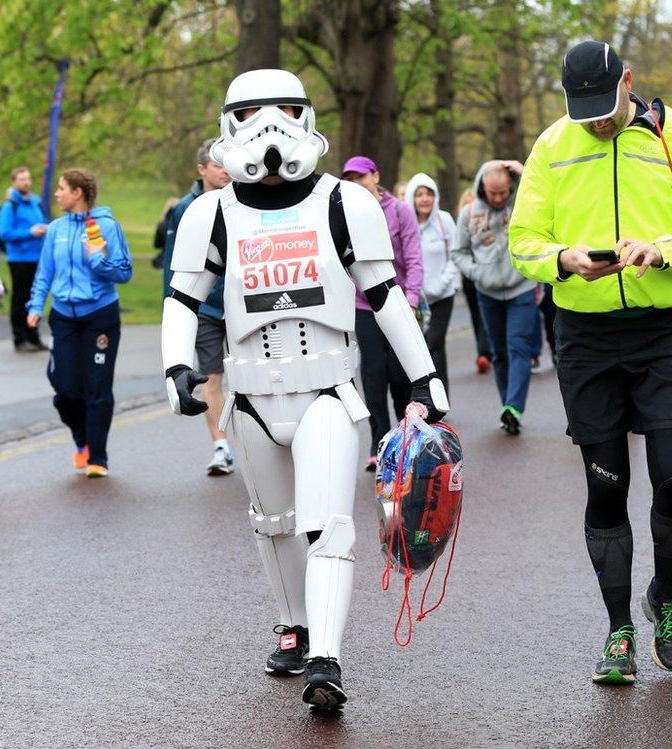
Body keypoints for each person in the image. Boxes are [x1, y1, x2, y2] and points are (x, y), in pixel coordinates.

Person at [161, 69, 448, 709]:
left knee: (329, 527)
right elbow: (183, 296)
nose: (270, 127)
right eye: (253, 113)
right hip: (249, 397)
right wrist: (177, 365)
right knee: (272, 524)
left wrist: (425, 377)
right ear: (227, 124)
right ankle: (296, 630)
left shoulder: (345, 203)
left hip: (327, 390)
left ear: (307, 116)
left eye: (284, 109)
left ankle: (326, 658)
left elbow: (385, 294)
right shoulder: (209, 213)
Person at [509, 40, 672, 684]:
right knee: (606, 487)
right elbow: (524, 239)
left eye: (604, 108)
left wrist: (663, 249)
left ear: (627, 82)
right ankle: (618, 631)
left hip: (663, 331)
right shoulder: (554, 146)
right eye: (583, 112)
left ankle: (663, 595)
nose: (597, 122)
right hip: (584, 334)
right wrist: (561, 259)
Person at [26, 169, 132, 478]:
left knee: (97, 388)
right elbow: (45, 272)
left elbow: (124, 272)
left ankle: (97, 457)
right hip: (64, 317)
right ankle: (81, 439)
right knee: (64, 388)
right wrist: (35, 306)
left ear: (77, 193)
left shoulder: (107, 227)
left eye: (61, 189)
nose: (57, 194)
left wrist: (98, 259)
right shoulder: (56, 228)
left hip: (100, 315)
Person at [341, 156, 424, 470]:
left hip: (398, 302)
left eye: (361, 177)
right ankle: (379, 444)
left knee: (401, 377)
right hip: (363, 306)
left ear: (376, 176)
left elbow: (414, 258)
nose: (356, 184)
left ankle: (405, 441)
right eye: (349, 180)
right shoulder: (345, 215)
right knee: (373, 375)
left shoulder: (400, 211)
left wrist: (412, 299)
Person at [161, 140, 235, 476]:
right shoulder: (185, 209)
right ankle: (221, 446)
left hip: (239, 305)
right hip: (203, 306)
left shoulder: (243, 204)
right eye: (217, 165)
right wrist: (173, 314)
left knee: (247, 379)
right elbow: (173, 266)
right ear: (201, 169)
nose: (224, 171)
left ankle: (254, 443)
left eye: (227, 165)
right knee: (212, 377)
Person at [452, 159, 534, 435]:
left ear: (510, 187)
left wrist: (524, 171)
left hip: (520, 287)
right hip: (487, 292)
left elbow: (540, 187)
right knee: (499, 353)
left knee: (518, 347)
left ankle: (514, 406)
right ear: (482, 188)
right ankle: (507, 408)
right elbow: (458, 252)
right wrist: (476, 273)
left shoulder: (522, 204)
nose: (499, 198)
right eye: (492, 193)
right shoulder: (468, 214)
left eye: (503, 192)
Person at [405, 172, 458, 390]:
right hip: (416, 299)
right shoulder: (406, 222)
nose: (424, 199)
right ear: (412, 198)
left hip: (443, 295)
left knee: (434, 343)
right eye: (419, 195)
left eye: (429, 194)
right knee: (418, 350)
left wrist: (442, 283)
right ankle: (422, 397)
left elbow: (455, 254)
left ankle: (440, 399)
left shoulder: (444, 220)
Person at [0, 166, 49, 352]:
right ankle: (20, 338)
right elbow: (5, 233)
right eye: (21, 179)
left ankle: (34, 337)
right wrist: (29, 232)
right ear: (14, 182)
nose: (26, 182)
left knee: (36, 298)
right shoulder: (10, 206)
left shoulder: (36, 202)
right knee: (21, 298)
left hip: (38, 257)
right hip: (19, 258)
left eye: (27, 178)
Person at [457, 188, 492, 374]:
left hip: (487, 276)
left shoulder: (486, 224)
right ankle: (483, 352)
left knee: (486, 313)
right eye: (466, 204)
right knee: (476, 315)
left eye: (473, 203)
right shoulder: (460, 228)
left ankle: (486, 353)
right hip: (469, 278)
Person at [151, 197, 178, 270]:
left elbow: (156, 245)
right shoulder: (181, 223)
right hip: (178, 259)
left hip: (164, 258)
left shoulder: (162, 224)